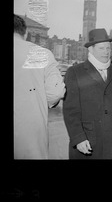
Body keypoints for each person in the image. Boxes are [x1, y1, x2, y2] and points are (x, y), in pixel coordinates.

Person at [63, 29, 112, 159]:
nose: (107, 52)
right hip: (87, 140)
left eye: (108, 48)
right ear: (91, 49)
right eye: (102, 48)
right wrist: (78, 137)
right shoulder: (75, 72)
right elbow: (70, 110)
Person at [14, 14, 65, 159]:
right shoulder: (42, 54)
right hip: (29, 134)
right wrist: (43, 102)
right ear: (25, 33)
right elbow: (56, 92)